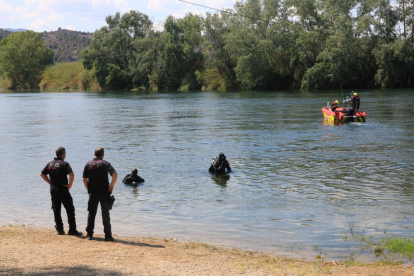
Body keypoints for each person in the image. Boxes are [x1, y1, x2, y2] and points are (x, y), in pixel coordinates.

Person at [40, 147, 82, 236]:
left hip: (53, 190)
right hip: (63, 189)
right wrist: (70, 184)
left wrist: (49, 182)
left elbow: (42, 174)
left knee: (56, 210)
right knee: (70, 209)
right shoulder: (64, 164)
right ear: (63, 154)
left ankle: (60, 230)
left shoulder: (50, 164)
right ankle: (72, 230)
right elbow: (71, 174)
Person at [83, 147, 118, 241]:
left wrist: (88, 189)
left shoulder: (88, 164)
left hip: (93, 192)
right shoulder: (105, 163)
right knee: (105, 213)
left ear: (94, 154)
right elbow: (115, 174)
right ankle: (108, 236)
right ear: (103, 155)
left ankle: (89, 235)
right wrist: (111, 186)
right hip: (104, 192)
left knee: (91, 213)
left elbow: (84, 179)